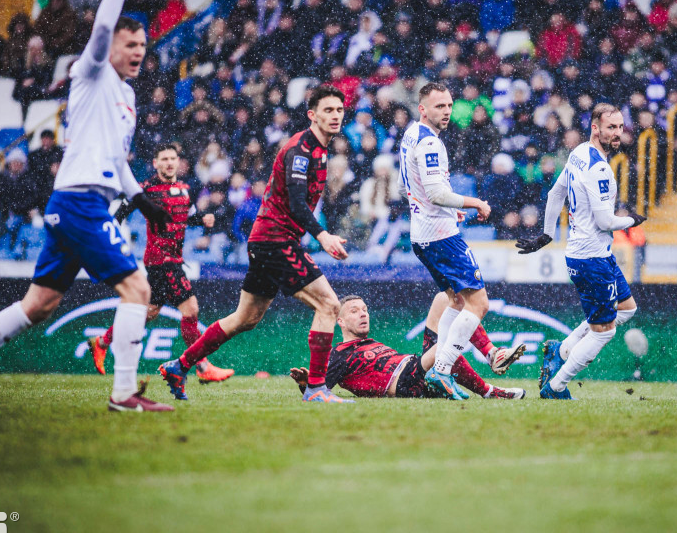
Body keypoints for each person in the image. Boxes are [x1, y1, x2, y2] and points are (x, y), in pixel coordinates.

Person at [0, 0, 175, 411]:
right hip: (81, 201)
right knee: (138, 289)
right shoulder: (91, 70)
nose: (139, 52)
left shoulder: (128, 95)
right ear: (111, 44)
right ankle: (123, 395)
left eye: (143, 45)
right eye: (130, 44)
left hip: (78, 201)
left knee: (39, 304)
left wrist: (139, 199)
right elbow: (101, 24)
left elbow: (116, 159)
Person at [158, 86, 353, 404]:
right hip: (275, 240)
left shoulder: (320, 149)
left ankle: (179, 366)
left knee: (244, 318)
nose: (334, 116)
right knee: (329, 306)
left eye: (339, 110)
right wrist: (322, 235)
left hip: (268, 241)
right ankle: (317, 389)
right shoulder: (301, 150)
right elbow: (296, 202)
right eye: (327, 110)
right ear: (312, 115)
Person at [515, 103, 646, 399]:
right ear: (595, 128)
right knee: (605, 331)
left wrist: (548, 234)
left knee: (627, 309)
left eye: (620, 127)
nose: (617, 133)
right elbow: (605, 221)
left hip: (590, 255)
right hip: (592, 259)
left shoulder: (579, 153)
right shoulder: (600, 168)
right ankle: (556, 385)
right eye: (611, 127)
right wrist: (632, 220)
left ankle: (559, 351)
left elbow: (554, 193)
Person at [84, 144, 233, 383]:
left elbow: (188, 218)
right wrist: (111, 241)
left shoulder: (185, 189)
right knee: (191, 309)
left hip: (171, 260)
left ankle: (101, 342)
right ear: (155, 163)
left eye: (173, 158)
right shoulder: (146, 188)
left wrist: (202, 219)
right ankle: (203, 367)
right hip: (162, 260)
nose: (169, 163)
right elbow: (119, 214)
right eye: (164, 159)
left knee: (149, 313)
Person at [399, 82, 495, 400]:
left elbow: (412, 189)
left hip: (424, 233)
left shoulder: (411, 135)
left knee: (455, 301)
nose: (447, 112)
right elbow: (437, 193)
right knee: (479, 304)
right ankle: (441, 370)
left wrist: (441, 209)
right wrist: (474, 203)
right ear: (423, 108)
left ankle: (441, 371)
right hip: (441, 237)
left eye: (450, 106)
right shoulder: (429, 143)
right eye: (439, 106)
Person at [289, 295, 524, 399]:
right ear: (340, 321)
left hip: (414, 368)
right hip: (403, 381)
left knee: (450, 299)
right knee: (448, 342)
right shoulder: (340, 354)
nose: (363, 314)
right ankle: (490, 391)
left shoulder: (368, 343)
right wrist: (305, 384)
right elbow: (319, 389)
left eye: (365, 310)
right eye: (354, 311)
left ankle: (492, 354)